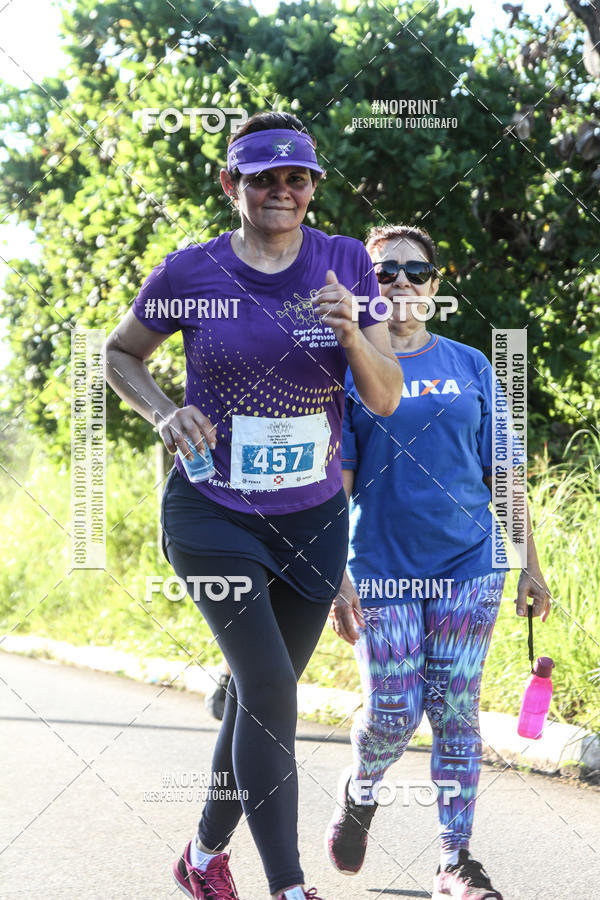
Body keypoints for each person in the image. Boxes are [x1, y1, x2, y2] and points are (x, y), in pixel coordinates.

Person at [105, 112, 403, 900]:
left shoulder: (344, 263)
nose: (282, 191)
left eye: (296, 178)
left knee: (252, 699)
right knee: (272, 695)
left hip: (310, 519)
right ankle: (290, 887)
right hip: (213, 512)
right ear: (232, 184)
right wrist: (163, 411)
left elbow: (386, 396)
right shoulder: (191, 273)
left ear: (312, 187)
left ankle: (202, 857)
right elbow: (118, 353)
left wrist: (351, 336)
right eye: (263, 178)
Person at [325, 224, 551, 900]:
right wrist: (336, 577)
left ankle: (456, 860)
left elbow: (504, 472)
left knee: (456, 707)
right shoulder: (348, 369)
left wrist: (530, 566)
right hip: (382, 566)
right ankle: (361, 791)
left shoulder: (472, 365)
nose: (400, 282)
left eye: (415, 271)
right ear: (366, 283)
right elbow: (333, 485)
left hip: (469, 565)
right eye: (384, 271)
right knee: (392, 710)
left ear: (435, 283)